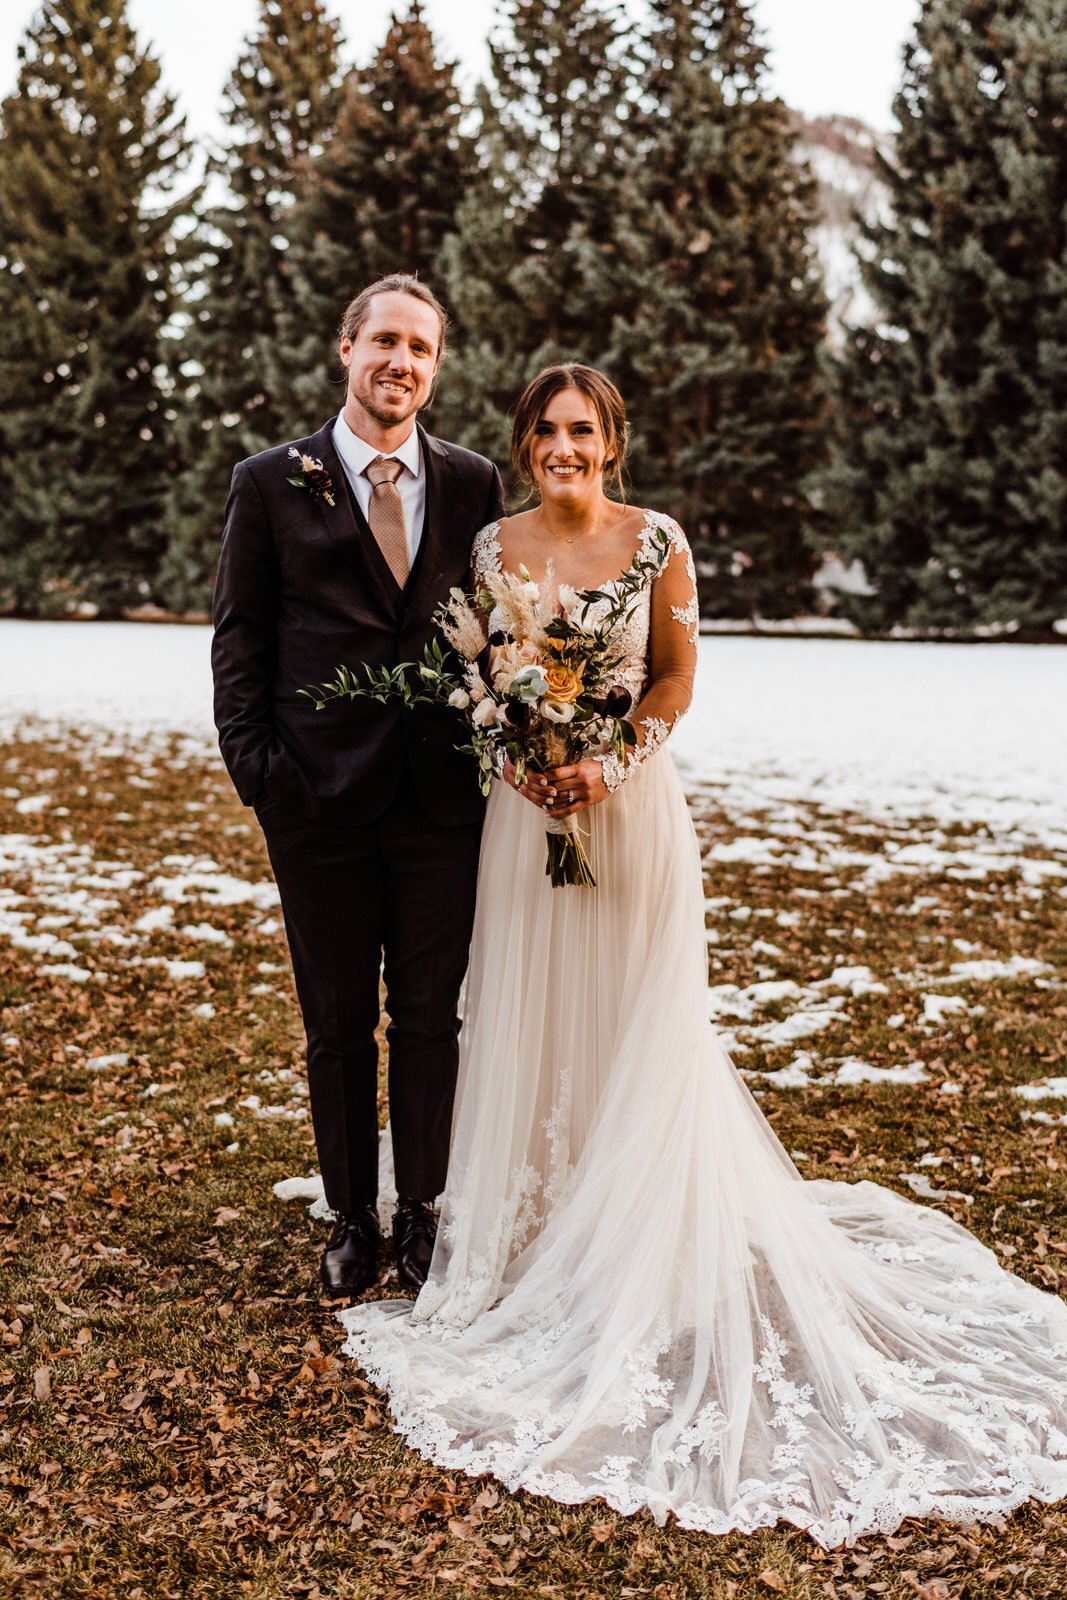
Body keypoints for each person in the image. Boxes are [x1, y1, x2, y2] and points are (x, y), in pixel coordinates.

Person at [337, 364, 1067, 1548]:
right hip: (527, 819)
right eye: (544, 429)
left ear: (611, 442)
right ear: (523, 443)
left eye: (582, 430)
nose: (561, 446)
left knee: (640, 1018)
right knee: (524, 1012)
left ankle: (637, 1227)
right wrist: (519, 751)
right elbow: (478, 674)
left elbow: (676, 677)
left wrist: (607, 761)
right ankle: (536, 1214)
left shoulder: (655, 539)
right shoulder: (491, 546)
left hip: (628, 814)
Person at [211, 275, 504, 1298]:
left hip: (438, 802)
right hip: (315, 804)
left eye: (420, 349)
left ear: (434, 365)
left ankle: (420, 1211)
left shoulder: (470, 484)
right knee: (336, 1021)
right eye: (385, 341)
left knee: (430, 1018)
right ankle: (350, 1215)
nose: (402, 364)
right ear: (346, 349)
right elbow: (240, 637)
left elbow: (492, 630)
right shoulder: (267, 481)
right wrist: (260, 771)